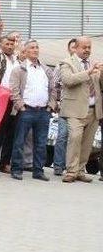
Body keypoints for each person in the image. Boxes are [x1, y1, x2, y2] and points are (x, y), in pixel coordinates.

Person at [9, 40, 56, 181]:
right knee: (19, 141)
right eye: (32, 48)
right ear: (26, 51)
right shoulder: (19, 69)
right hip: (26, 110)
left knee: (41, 143)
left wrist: (50, 106)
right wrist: (20, 106)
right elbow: (14, 90)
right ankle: (16, 169)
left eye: (37, 47)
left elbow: (53, 90)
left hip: (43, 111)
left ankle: (38, 170)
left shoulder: (46, 70)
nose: (35, 50)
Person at [58, 36, 103, 183]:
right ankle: (71, 171)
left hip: (93, 109)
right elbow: (68, 81)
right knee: (75, 138)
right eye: (84, 47)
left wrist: (101, 74)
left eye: (89, 47)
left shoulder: (93, 63)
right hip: (74, 110)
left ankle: (80, 170)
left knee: (87, 142)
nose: (87, 50)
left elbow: (99, 86)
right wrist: (88, 72)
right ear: (76, 48)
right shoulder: (66, 63)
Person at [0, 21, 19, 173]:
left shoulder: (17, 60)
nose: (10, 46)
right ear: (2, 45)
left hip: (14, 99)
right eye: (7, 44)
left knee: (11, 132)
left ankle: (4, 163)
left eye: (12, 44)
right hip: (1, 97)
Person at [53, 38, 77, 176]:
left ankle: (73, 167)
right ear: (69, 50)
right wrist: (56, 102)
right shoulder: (62, 65)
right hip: (65, 106)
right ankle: (58, 165)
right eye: (72, 47)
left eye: (76, 47)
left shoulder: (85, 66)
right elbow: (55, 84)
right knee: (62, 136)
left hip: (80, 107)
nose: (74, 50)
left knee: (75, 138)